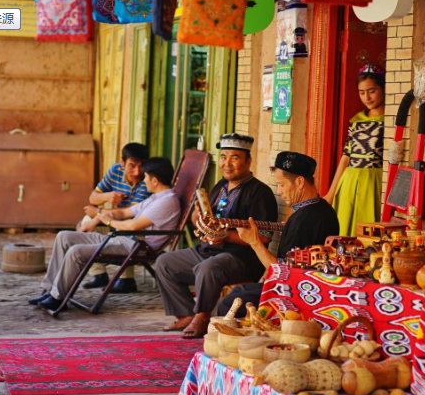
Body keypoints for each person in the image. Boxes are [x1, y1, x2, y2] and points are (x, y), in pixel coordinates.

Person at [155, 133, 278, 339]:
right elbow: (206, 221)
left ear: (248, 161)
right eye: (223, 157)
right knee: (165, 262)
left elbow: (264, 237)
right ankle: (186, 313)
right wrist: (197, 217)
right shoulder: (220, 186)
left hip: (241, 258)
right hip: (208, 250)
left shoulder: (260, 192)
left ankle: (202, 317)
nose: (227, 163)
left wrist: (226, 237)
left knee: (208, 268)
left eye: (234, 158)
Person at [28, 157, 181, 312]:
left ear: (155, 181)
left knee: (76, 251)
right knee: (64, 237)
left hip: (136, 247)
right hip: (123, 239)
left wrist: (108, 222)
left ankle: (57, 298)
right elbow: (124, 212)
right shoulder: (154, 198)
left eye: (146, 177)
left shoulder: (166, 202)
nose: (144, 180)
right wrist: (102, 215)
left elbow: (133, 225)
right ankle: (48, 290)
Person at [218, 151, 339, 317]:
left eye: (282, 185)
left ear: (300, 182)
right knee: (239, 291)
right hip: (309, 287)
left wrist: (254, 242)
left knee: (229, 302)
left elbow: (281, 274)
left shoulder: (302, 220)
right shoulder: (323, 208)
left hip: (297, 294)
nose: (280, 192)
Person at [81, 142, 151, 294]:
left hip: (137, 225)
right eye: (132, 166)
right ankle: (99, 274)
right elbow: (93, 197)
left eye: (141, 166)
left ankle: (127, 280)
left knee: (125, 227)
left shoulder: (147, 180)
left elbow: (130, 212)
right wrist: (107, 196)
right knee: (85, 222)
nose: (137, 172)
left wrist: (98, 213)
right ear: (122, 163)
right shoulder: (115, 170)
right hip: (114, 219)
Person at [324, 64, 385, 237]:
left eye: (371, 91)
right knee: (344, 231)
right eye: (362, 92)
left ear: (383, 88)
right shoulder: (356, 121)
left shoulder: (390, 121)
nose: (367, 97)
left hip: (373, 181)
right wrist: (331, 193)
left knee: (369, 233)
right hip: (349, 181)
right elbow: (346, 157)